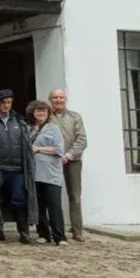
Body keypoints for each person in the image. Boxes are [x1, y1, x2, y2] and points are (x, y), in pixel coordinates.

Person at [0, 89, 39, 244]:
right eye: (3, 102)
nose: (6, 105)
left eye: (9, 102)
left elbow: (27, 143)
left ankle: (24, 232)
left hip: (17, 169)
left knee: (20, 199)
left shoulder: (19, 121)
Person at [49, 89, 87, 242]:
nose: (58, 100)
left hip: (72, 160)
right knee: (52, 195)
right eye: (55, 97)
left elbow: (82, 139)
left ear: (66, 99)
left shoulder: (74, 117)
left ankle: (77, 230)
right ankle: (54, 229)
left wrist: (69, 154)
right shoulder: (47, 116)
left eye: (61, 97)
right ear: (50, 99)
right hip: (51, 160)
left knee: (75, 195)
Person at [28, 100, 68, 246]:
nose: (41, 113)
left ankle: (60, 236)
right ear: (32, 113)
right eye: (38, 111)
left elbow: (59, 150)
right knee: (39, 207)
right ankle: (43, 234)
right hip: (35, 173)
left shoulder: (53, 129)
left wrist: (38, 149)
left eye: (44, 111)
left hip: (51, 174)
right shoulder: (29, 129)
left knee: (54, 206)